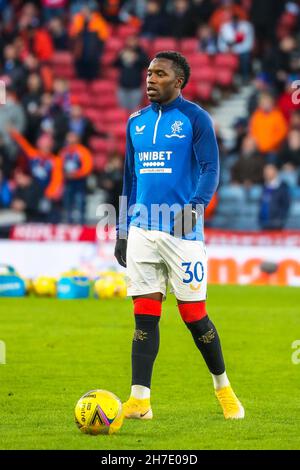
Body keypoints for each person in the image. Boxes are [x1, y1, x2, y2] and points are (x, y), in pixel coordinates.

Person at [114, 51, 244, 420]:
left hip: (183, 233)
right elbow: (129, 179)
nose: (150, 79)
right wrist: (123, 229)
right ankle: (140, 400)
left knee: (194, 316)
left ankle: (223, 387)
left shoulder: (195, 118)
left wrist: (196, 206)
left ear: (179, 81)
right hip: (141, 228)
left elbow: (211, 168)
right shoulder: (135, 121)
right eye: (149, 73)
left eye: (160, 73)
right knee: (144, 317)